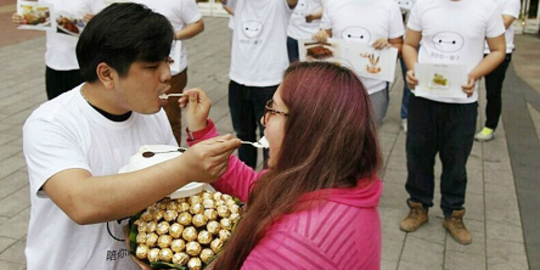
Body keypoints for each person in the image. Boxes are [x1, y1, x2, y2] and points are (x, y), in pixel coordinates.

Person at [22, 4, 240, 269]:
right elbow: (80, 202)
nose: (166, 75)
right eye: (151, 66)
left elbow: (167, 192)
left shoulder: (152, 114)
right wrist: (186, 167)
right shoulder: (52, 123)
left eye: (167, 61)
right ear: (107, 74)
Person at [179, 62, 383, 269]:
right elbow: (256, 188)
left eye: (274, 111)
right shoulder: (338, 184)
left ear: (306, 130)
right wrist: (201, 131)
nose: (263, 120)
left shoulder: (295, 246)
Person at [400, 0, 506, 245]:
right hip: (424, 99)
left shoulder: (487, 6)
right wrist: (413, 70)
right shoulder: (423, 4)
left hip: (462, 102)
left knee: (456, 161)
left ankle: (454, 212)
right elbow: (409, 44)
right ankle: (418, 206)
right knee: (417, 156)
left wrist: (474, 75)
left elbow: (498, 50)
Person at [228, 0, 298, 169]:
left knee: (271, 139)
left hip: (270, 81)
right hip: (238, 79)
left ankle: (268, 187)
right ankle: (245, 182)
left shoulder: (279, 4)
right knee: (243, 137)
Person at [313, 0, 404, 126]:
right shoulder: (333, 4)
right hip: (338, 86)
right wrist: (320, 37)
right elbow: (324, 36)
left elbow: (398, 44)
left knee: (370, 136)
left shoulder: (390, 6)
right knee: (336, 135)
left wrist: (389, 47)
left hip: (374, 88)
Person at [131, 0, 204, 145]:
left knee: (170, 118)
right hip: (140, 69)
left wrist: (170, 37)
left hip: (174, 70)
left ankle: (171, 155)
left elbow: (198, 24)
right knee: (138, 115)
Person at [12, 0, 105, 100]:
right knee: (55, 108)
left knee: (84, 109)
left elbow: (106, 24)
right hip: (54, 63)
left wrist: (95, 21)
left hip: (81, 65)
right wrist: (20, 18)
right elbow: (38, 18)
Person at [475, 0, 521, 142]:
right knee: (466, 87)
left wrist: (479, 18)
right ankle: (464, 121)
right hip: (474, 48)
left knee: (493, 91)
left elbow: (504, 23)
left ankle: (490, 126)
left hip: (500, 51)